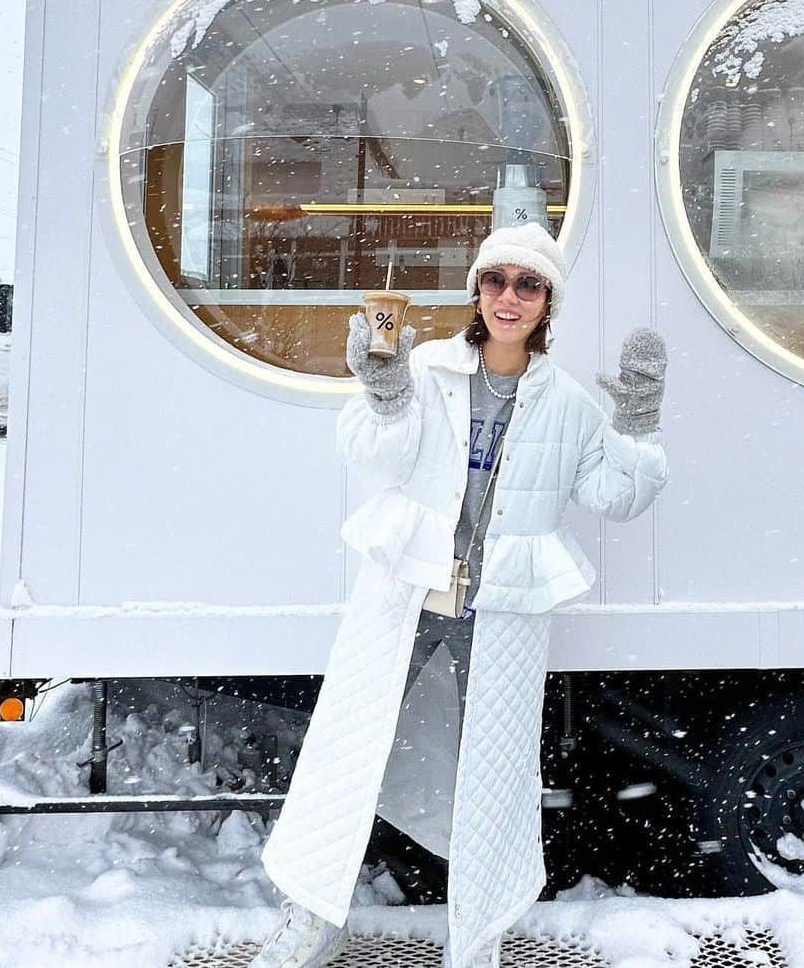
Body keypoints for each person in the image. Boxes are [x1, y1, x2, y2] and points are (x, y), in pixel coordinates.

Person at [251, 222, 669, 968]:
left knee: (497, 773)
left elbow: (616, 496)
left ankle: (477, 937)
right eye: (497, 281)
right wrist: (382, 396)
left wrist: (637, 425)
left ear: (548, 304)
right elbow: (373, 457)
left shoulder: (568, 403)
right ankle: (311, 916)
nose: (509, 297)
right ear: (477, 290)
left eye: (529, 284)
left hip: (502, 609)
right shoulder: (431, 367)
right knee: (349, 748)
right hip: (406, 590)